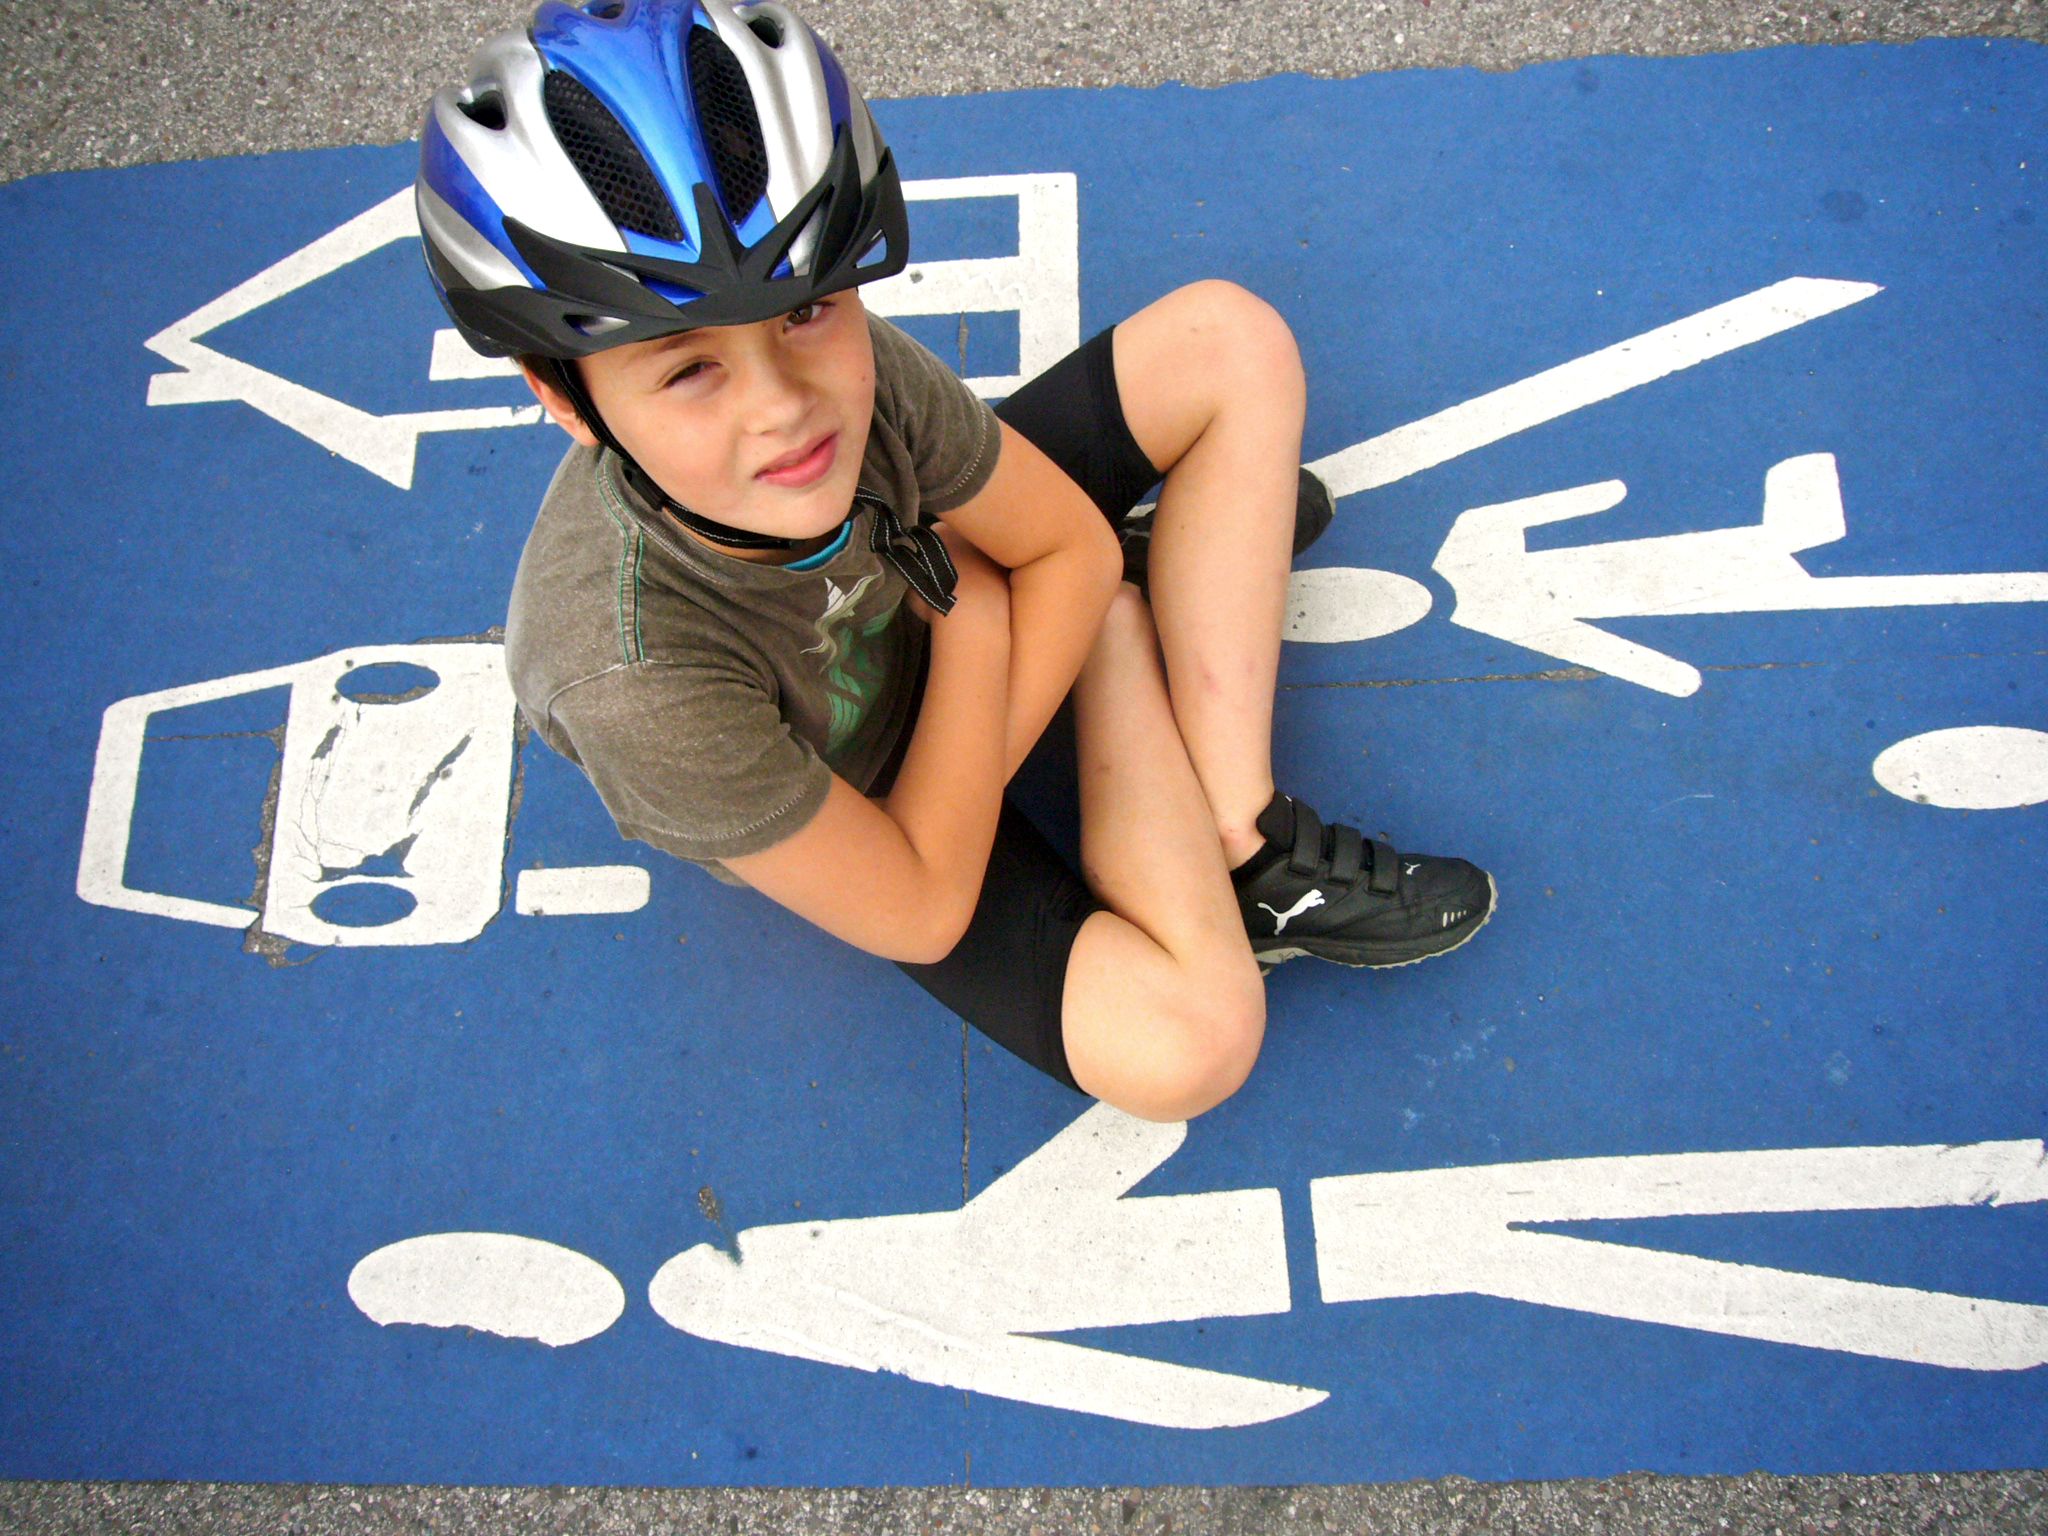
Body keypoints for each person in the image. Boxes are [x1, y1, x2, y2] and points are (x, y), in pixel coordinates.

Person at [417, 0, 1496, 1121]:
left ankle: (1238, 831)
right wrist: (1006, 620)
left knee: (1225, 340)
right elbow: (923, 903)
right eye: (688, 374)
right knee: (1189, 1049)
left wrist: (1045, 583)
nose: (784, 409)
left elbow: (1064, 544)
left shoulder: (850, 375)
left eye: (808, 310)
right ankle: (1128, 628)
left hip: (945, 585)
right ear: (563, 397)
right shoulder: (631, 676)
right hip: (878, 791)